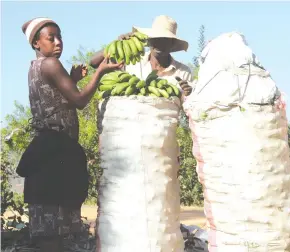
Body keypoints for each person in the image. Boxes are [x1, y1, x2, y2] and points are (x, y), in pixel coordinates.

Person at [18, 17, 122, 252]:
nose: (58, 42)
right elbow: (79, 101)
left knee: (49, 228)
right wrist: (101, 73)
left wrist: (74, 80)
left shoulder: (35, 68)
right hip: (55, 152)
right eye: (50, 38)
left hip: (48, 151)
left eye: (60, 36)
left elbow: (54, 100)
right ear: (36, 43)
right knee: (55, 231)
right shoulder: (51, 65)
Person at [90, 15, 194, 97]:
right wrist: (117, 44)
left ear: (172, 43)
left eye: (165, 39)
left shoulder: (183, 72)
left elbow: (189, 107)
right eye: (156, 38)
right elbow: (93, 63)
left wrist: (187, 95)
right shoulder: (133, 61)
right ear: (149, 40)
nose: (159, 43)